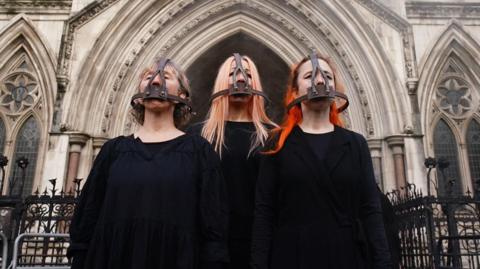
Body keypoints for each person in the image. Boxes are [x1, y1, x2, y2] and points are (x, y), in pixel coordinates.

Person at [68, 57, 229, 269]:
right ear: (138, 96)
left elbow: (213, 223)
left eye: (166, 76)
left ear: (182, 96)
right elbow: (87, 216)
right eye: (147, 77)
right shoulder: (113, 151)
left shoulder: (199, 152)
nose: (155, 81)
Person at [251, 53, 392, 269]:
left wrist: (383, 263)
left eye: (327, 75)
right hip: (292, 256)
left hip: (345, 256)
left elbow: (371, 210)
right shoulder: (276, 144)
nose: (319, 81)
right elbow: (264, 212)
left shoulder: (355, 144)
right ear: (295, 91)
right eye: (309, 76)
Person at [190, 53, 276, 269]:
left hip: (260, 246)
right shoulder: (198, 135)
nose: (239, 79)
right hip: (209, 248)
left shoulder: (273, 136)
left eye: (247, 74)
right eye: (231, 74)